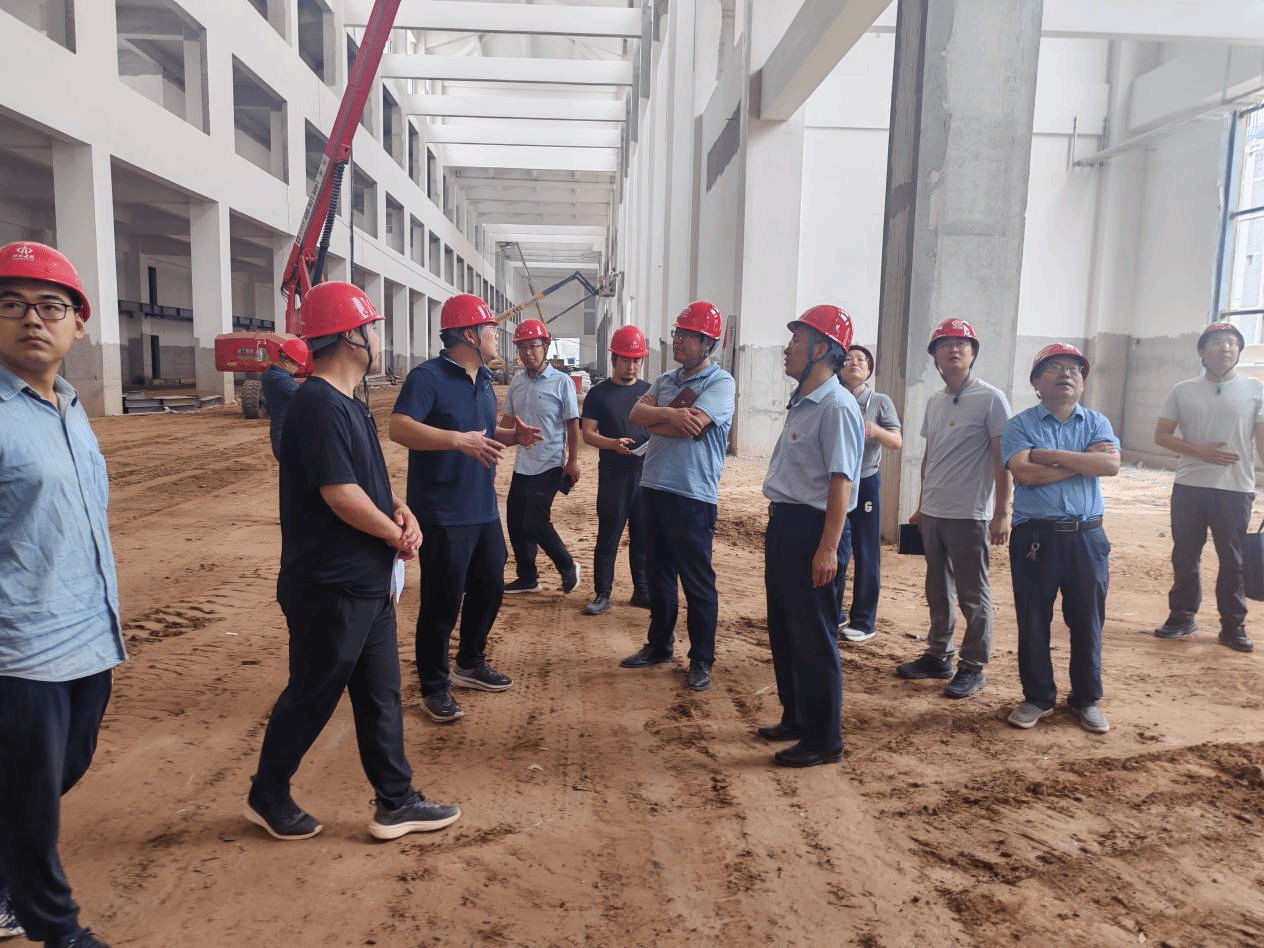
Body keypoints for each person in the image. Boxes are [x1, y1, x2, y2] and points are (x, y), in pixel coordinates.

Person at [245, 281, 460, 843]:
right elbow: (339, 494)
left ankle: (396, 800)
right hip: (330, 583)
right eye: (371, 329)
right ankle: (268, 794)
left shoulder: (352, 405)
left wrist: (400, 511)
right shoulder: (316, 405)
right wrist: (397, 536)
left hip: (366, 580)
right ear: (350, 337)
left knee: (380, 693)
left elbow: (366, 482)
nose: (376, 339)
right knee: (313, 694)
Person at [0, 241, 126, 948]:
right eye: (11, 304)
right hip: (19, 649)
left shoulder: (70, 407)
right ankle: (59, 930)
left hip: (88, 632)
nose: (32, 319)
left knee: (63, 768)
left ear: (78, 324)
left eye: (50, 305)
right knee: (31, 805)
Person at [389, 294, 541, 724]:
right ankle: (433, 687)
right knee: (441, 603)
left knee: (490, 587)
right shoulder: (427, 378)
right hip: (442, 512)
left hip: (482, 507)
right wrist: (457, 441)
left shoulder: (484, 379)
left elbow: (480, 433)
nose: (497, 336)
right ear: (470, 335)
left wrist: (511, 436)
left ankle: (470, 663)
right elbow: (399, 427)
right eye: (491, 329)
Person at [759, 306, 863, 767]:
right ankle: (796, 717)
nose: (787, 349)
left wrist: (827, 548)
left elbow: (842, 482)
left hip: (814, 530)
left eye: (795, 341)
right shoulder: (804, 400)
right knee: (785, 629)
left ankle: (824, 739)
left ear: (820, 349)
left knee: (814, 635)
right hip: (785, 525)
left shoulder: (837, 406)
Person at [1002, 344, 1120, 734]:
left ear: (1082, 382)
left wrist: (1049, 455)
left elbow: (1111, 465)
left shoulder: (1097, 422)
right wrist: (1083, 461)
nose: (1066, 374)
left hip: (1088, 537)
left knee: (1087, 621)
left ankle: (1086, 699)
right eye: (1055, 368)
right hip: (1035, 537)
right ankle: (1038, 697)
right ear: (1037, 382)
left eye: (1074, 369)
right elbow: (1024, 474)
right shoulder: (1020, 425)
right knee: (1033, 618)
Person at [619, 301, 736, 692]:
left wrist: (658, 418)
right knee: (658, 574)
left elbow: (695, 426)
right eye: (677, 333)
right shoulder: (666, 379)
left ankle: (701, 658)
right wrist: (670, 415)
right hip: (652, 487)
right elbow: (636, 416)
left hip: (692, 495)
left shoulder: (721, 383)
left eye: (687, 335)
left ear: (708, 343)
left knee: (697, 581)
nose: (678, 340)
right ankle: (659, 645)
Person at [896, 318, 1011, 699]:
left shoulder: (991, 399)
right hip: (934, 512)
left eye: (962, 343)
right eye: (945, 343)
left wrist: (1002, 512)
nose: (954, 348)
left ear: (973, 352)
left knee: (972, 594)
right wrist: (921, 505)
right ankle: (938, 655)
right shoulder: (935, 401)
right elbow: (930, 457)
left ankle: (973, 666)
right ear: (935, 355)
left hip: (969, 514)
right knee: (937, 589)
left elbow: (1002, 460)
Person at [1152, 322, 1264, 653]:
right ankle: (1182, 616)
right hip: (1189, 486)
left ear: (1239, 350)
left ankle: (1233, 625)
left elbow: (1262, 443)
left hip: (1235, 488)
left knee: (1233, 559)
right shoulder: (1182, 390)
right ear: (1202, 351)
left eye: (1231, 342)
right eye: (1217, 342)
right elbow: (1161, 436)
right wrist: (1199, 451)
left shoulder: (1256, 390)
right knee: (1185, 554)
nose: (1225, 348)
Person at [500, 318, 583, 595]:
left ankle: (567, 565)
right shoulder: (517, 382)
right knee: (515, 521)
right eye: (522, 347)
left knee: (534, 521)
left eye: (533, 346)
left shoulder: (562, 383)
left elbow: (572, 424)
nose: (528, 353)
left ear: (545, 346)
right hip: (523, 464)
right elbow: (507, 422)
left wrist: (572, 461)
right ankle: (527, 578)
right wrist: (490, 443)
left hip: (550, 464)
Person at [580, 325, 652, 616]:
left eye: (636, 360)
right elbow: (588, 434)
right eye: (625, 360)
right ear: (614, 359)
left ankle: (642, 591)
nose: (631, 366)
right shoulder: (599, 394)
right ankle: (603, 593)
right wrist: (612, 444)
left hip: (645, 474)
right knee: (608, 535)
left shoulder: (649, 392)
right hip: (613, 474)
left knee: (643, 535)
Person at [837, 344, 902, 644]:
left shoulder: (880, 401)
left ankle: (864, 621)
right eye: (848, 359)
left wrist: (875, 431)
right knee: (835, 547)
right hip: (834, 484)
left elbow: (896, 441)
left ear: (870, 369)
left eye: (861, 359)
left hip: (865, 483)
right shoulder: (833, 398)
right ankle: (834, 612)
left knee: (865, 551)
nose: (854, 362)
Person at [260, 336, 309, 461]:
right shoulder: (279, 378)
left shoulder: (270, 374)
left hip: (283, 433)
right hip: (285, 435)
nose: (297, 370)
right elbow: (304, 395)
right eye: (298, 366)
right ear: (287, 362)